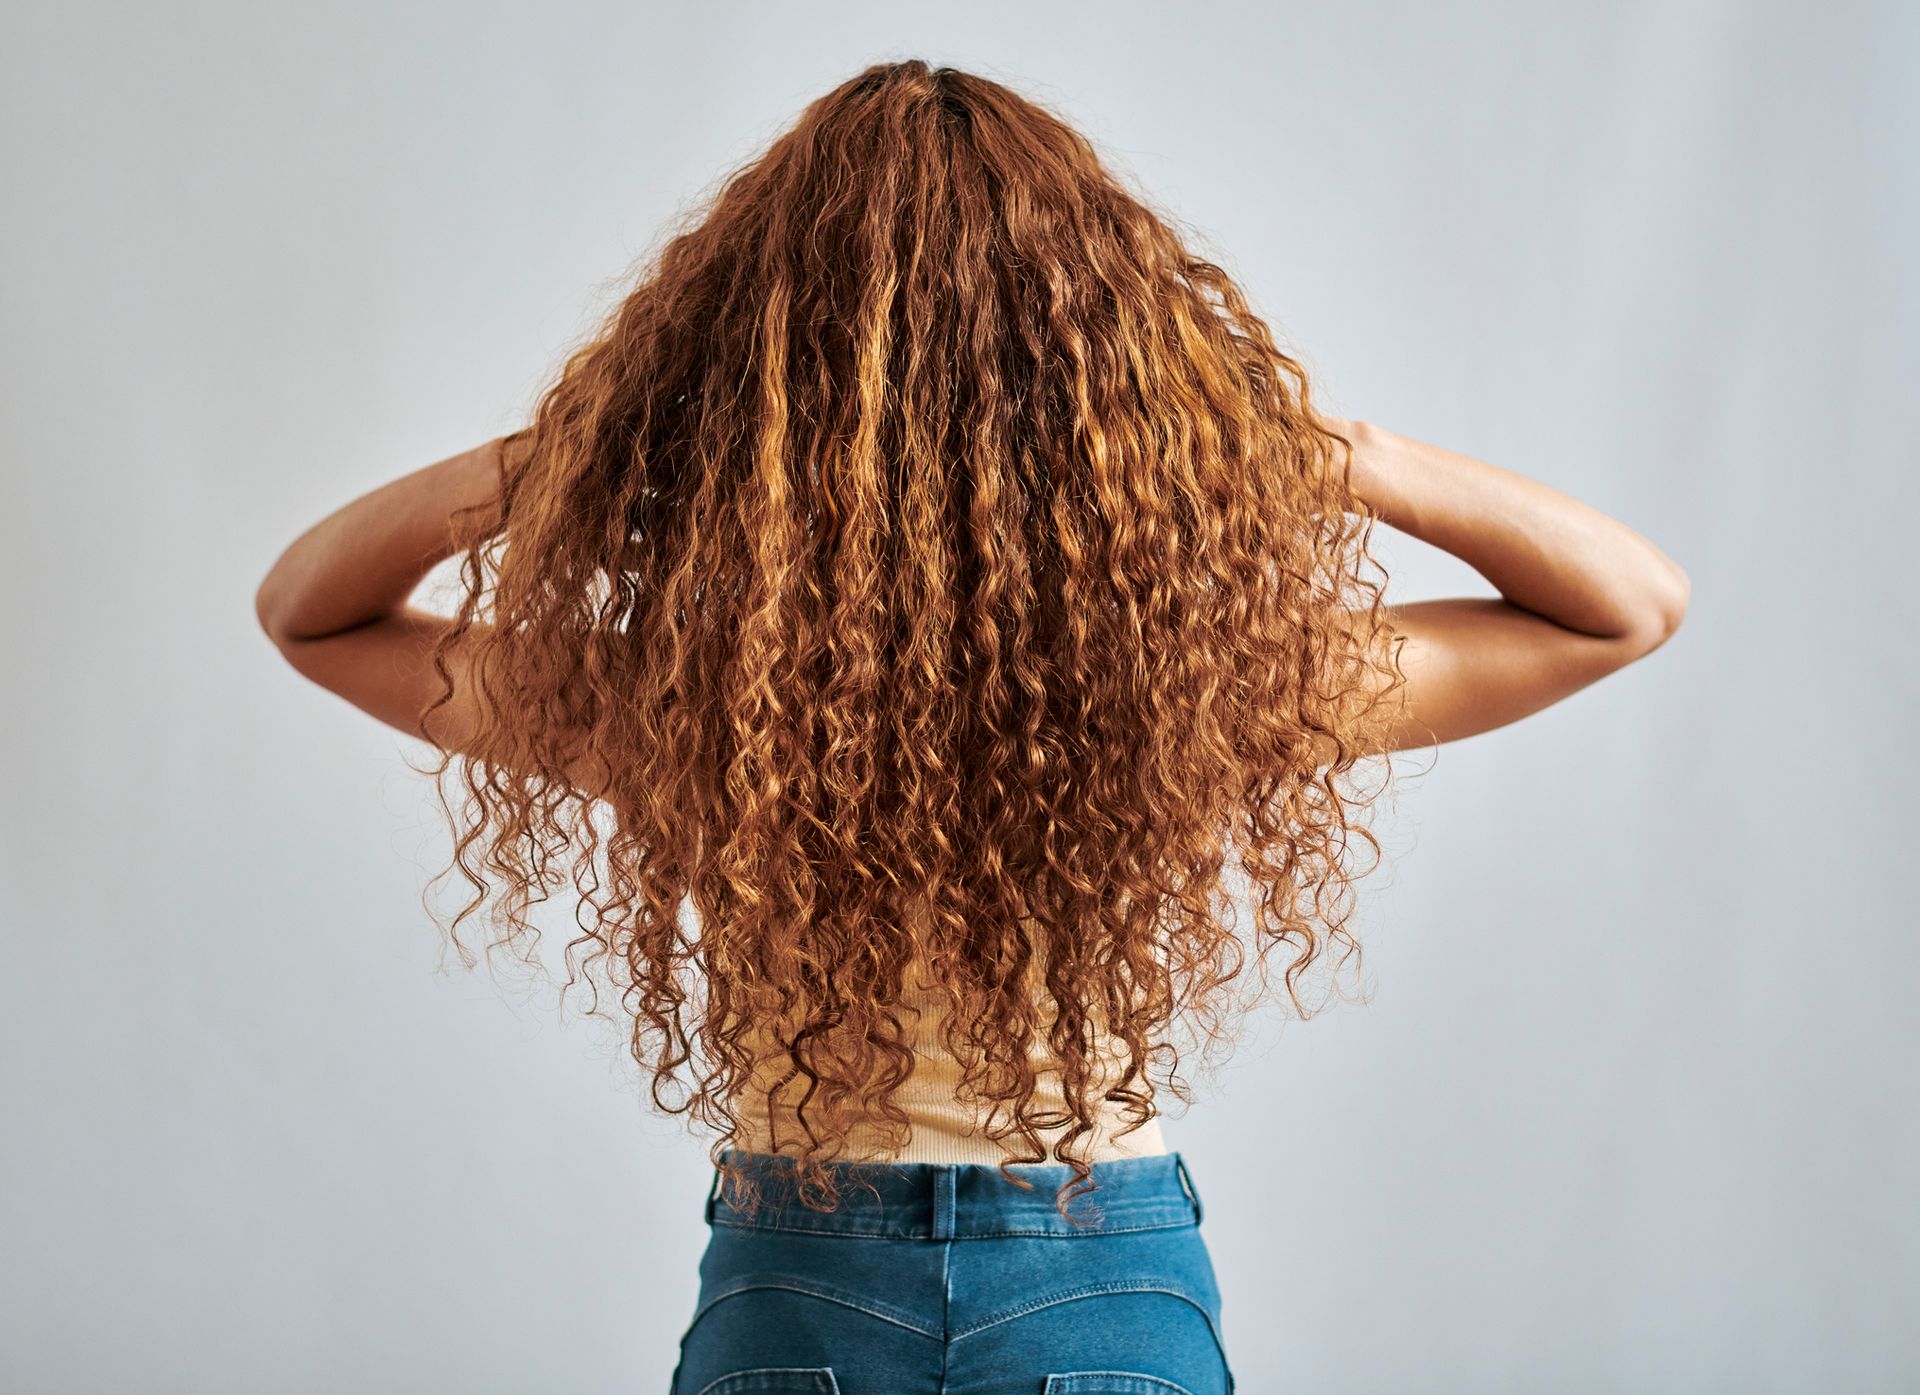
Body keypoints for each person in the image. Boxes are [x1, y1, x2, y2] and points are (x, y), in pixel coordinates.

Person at [254, 58, 1687, 1395]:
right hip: (1102, 1278)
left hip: (799, 1284)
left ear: (764, 393)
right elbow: (1623, 604)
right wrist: (1312, 443)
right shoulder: (1193, 691)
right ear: (1106, 389)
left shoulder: (685, 707)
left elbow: (311, 610)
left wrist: (576, 445)